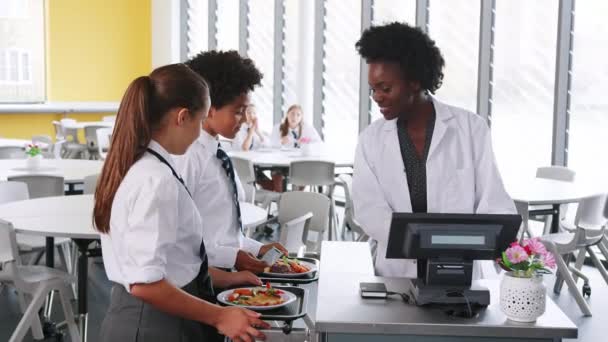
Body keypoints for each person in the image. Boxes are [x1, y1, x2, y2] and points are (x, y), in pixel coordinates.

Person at [94, 64, 268, 342]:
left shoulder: (141, 165)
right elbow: (145, 284)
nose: (200, 133)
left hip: (157, 315)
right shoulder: (155, 179)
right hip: (151, 323)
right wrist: (220, 316)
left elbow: (174, 260)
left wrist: (226, 279)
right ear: (182, 117)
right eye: (199, 123)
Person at [352, 22, 516, 279]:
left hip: (462, 272)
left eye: (386, 88)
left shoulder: (470, 128)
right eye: (374, 89)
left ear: (415, 81)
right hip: (397, 275)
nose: (377, 97)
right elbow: (368, 210)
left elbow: (492, 200)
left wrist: (498, 246)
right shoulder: (370, 140)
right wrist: (428, 243)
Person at [175, 50, 288, 274]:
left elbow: (221, 233)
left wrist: (256, 249)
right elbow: (177, 241)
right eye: (238, 112)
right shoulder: (187, 158)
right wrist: (233, 257)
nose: (245, 119)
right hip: (199, 280)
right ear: (208, 107)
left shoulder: (218, 154)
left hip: (223, 273)